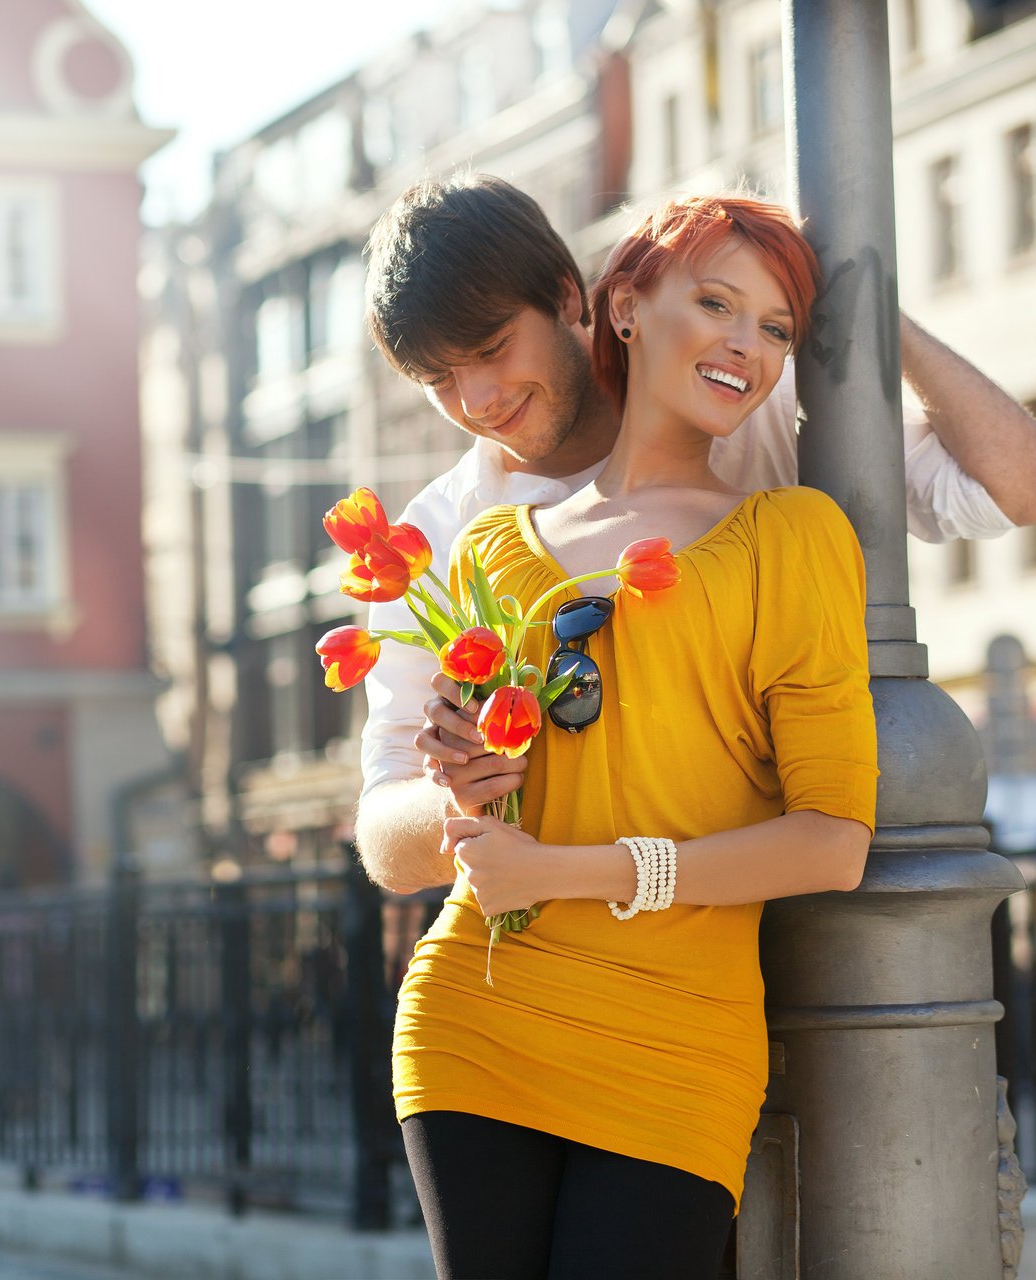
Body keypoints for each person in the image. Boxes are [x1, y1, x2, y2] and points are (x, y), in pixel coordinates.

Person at [391, 194, 876, 1279]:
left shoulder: (791, 536)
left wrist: (565, 867)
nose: (745, 344)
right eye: (714, 302)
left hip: (678, 1033)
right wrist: (460, 779)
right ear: (620, 305)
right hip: (479, 1013)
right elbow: (479, 809)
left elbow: (831, 841)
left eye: (777, 327)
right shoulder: (485, 551)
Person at [355, 174, 1036, 893]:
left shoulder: (751, 401)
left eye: (493, 348)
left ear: (569, 296)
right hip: (539, 958)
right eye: (439, 380)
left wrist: (876, 316)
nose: (477, 400)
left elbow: (1028, 489)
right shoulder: (442, 534)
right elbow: (385, 840)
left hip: (778, 928)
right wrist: (455, 791)